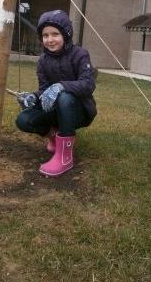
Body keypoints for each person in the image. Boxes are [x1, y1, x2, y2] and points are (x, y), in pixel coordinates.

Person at [15, 10, 97, 177]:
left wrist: (61, 86)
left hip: (79, 111)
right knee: (23, 119)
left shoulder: (80, 54)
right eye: (45, 35)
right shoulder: (43, 61)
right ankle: (54, 138)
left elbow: (88, 84)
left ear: (66, 34)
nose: (50, 40)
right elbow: (45, 89)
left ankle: (65, 157)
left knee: (65, 97)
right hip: (56, 111)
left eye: (55, 34)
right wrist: (33, 97)